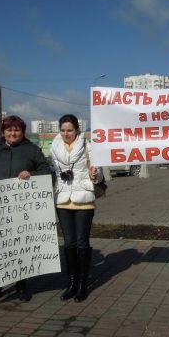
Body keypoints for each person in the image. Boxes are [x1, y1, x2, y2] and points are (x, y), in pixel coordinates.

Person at [0, 115, 51, 303]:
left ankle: (21, 285)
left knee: (20, 249)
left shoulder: (32, 150)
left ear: (23, 132)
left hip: (22, 209)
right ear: (3, 131)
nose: (13, 133)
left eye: (17, 130)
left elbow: (47, 172)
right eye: (9, 129)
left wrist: (32, 173)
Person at [50, 114, 103, 302]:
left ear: (77, 130)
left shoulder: (89, 147)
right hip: (62, 200)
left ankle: (82, 284)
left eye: (70, 130)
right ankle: (71, 283)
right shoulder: (53, 148)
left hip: (84, 201)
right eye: (63, 130)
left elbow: (101, 178)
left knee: (82, 242)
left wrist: (94, 175)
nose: (66, 134)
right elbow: (53, 174)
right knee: (69, 243)